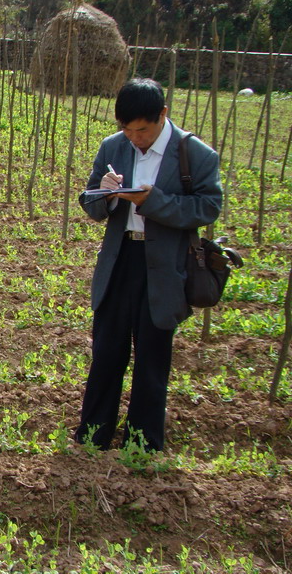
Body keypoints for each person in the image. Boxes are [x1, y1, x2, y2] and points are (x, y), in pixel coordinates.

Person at [74, 78, 222, 452]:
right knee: (107, 352)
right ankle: (94, 435)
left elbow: (207, 207)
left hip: (164, 267)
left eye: (142, 130)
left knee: (152, 359)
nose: (135, 138)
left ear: (163, 116)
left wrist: (151, 200)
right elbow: (91, 203)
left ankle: (143, 443)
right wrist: (106, 194)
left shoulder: (195, 154)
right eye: (127, 130)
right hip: (120, 258)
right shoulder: (113, 146)